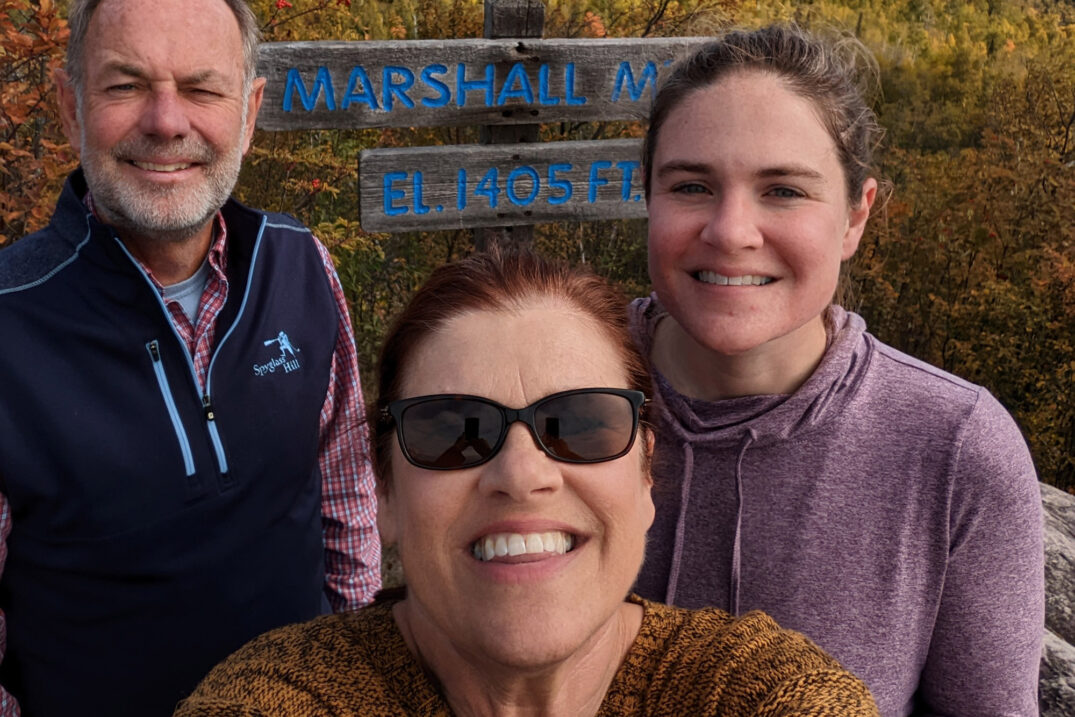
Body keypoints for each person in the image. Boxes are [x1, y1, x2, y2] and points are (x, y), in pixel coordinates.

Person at [173, 250, 881, 716]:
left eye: (581, 422)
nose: (520, 473)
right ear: (383, 491)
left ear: (643, 478)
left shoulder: (752, 692)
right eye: (451, 428)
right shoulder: (281, 697)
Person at [634, 23, 1044, 717]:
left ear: (855, 216)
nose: (731, 230)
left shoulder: (949, 448)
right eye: (692, 185)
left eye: (783, 190)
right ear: (646, 196)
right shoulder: (556, 395)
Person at [0, 0, 380, 714]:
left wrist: (355, 678)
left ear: (249, 111)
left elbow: (346, 500)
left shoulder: (301, 264)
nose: (167, 121)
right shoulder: (9, 321)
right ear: (69, 106)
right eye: (124, 85)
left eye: (202, 88)